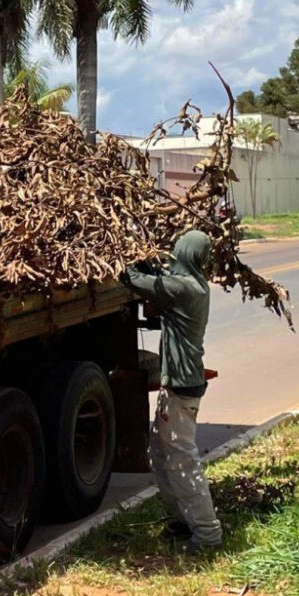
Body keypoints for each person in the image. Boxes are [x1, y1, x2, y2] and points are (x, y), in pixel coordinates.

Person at [123, 230, 222, 555]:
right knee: (163, 457)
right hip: (177, 386)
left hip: (181, 388)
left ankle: (207, 536)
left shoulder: (183, 288)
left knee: (181, 462)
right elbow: (159, 279)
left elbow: (136, 280)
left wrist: (128, 256)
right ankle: (181, 521)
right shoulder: (193, 285)